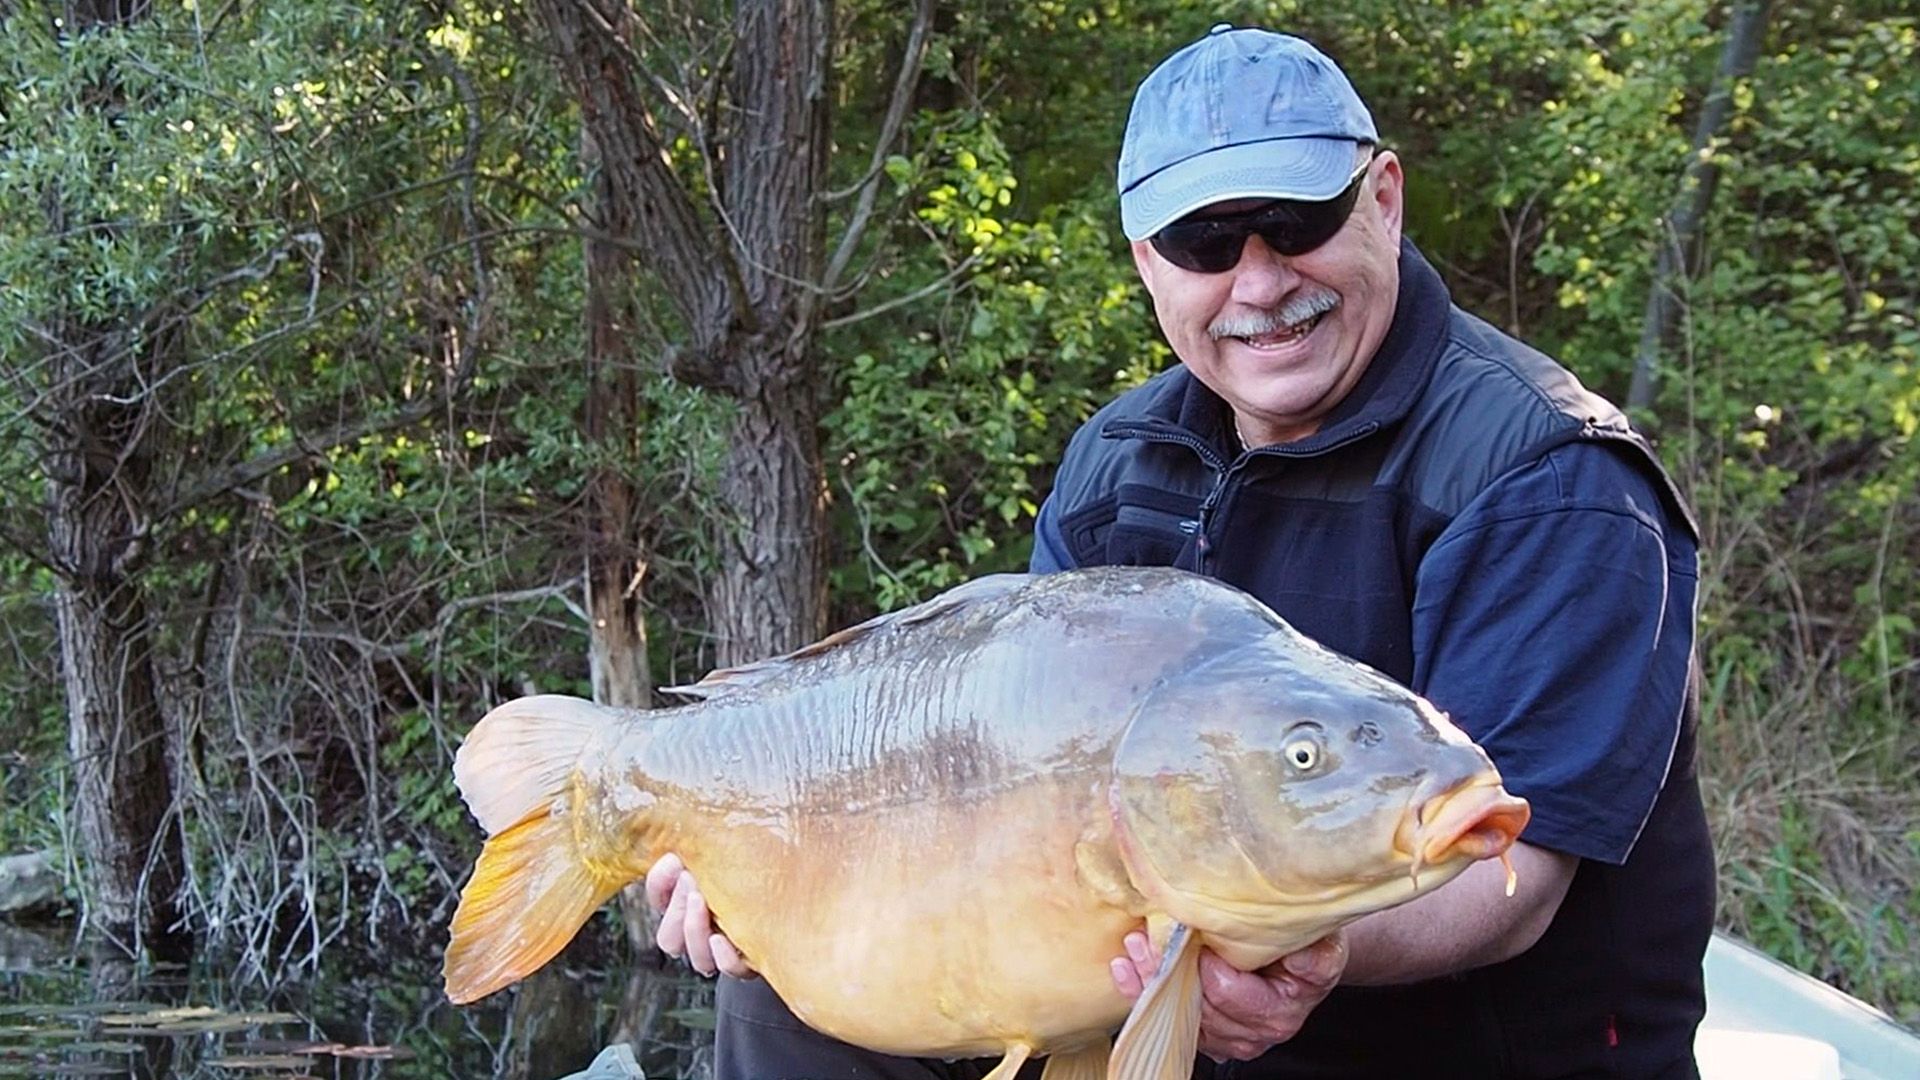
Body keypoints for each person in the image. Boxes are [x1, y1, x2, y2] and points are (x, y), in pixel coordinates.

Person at [648, 24, 1715, 1079]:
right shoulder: (1120, 463)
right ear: (1146, 263)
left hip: (1469, 1055)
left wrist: (1293, 949)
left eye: (1295, 222)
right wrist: (782, 895)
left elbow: (1512, 882)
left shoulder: (1548, 475)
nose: (1258, 285)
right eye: (1206, 245)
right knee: (788, 1009)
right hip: (1166, 998)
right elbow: (1003, 776)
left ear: (1383, 200)